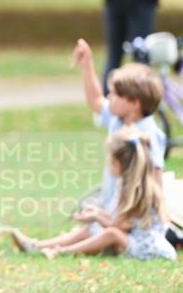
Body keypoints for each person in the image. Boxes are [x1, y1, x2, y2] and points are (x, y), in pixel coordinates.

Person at [11, 38, 166, 255]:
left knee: (98, 230)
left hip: (134, 212)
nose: (108, 97)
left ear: (134, 102)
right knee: (89, 228)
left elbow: (155, 178)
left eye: (115, 94)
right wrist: (87, 65)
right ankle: (39, 246)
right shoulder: (117, 119)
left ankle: (56, 250)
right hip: (116, 203)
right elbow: (95, 101)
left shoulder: (149, 133)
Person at [23, 129, 175, 261]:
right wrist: (97, 214)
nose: (108, 163)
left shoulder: (132, 190)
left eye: (110, 159)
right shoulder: (129, 184)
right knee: (91, 229)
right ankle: (37, 245)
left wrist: (97, 217)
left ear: (120, 163)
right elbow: (122, 221)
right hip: (137, 240)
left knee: (111, 234)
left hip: (147, 249)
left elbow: (120, 228)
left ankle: (59, 251)